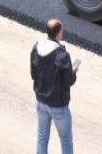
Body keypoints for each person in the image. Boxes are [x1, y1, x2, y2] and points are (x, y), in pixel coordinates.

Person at [31, 19, 78, 154]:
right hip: (58, 106)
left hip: (40, 102)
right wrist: (73, 73)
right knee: (66, 140)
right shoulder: (62, 55)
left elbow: (33, 73)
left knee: (42, 137)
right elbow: (68, 81)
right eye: (62, 30)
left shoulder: (36, 48)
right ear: (58, 34)